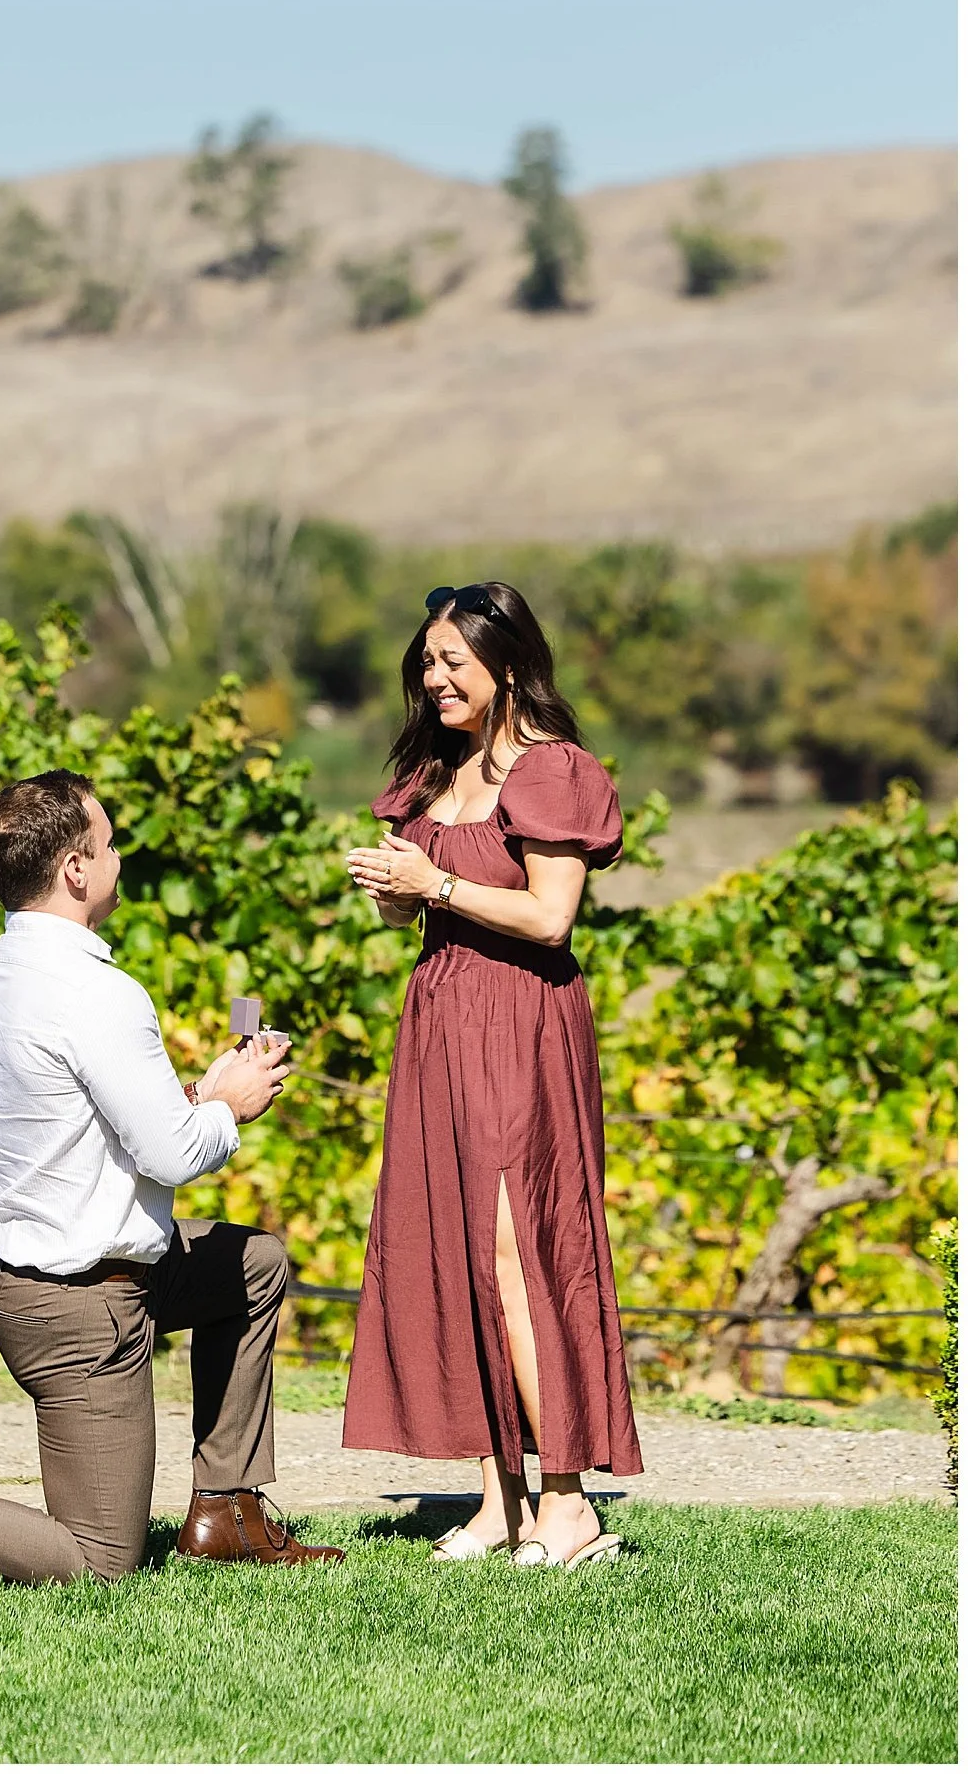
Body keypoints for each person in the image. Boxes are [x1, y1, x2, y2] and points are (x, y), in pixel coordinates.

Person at [0, 767, 343, 1586]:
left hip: (41, 1280)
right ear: (76, 869)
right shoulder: (97, 992)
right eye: (108, 845)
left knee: (254, 1264)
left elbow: (80, 1126)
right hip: (83, 1309)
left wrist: (197, 1096)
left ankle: (228, 1512)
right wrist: (232, 1109)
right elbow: (173, 1156)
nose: (119, 858)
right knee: (98, 1561)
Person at [341, 583, 642, 1570]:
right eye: (426, 664)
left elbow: (551, 917)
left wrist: (436, 881)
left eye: (453, 663)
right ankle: (499, 1499)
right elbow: (415, 912)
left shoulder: (554, 769)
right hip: (440, 1015)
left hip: (522, 1019)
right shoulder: (434, 771)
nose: (434, 680)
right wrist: (395, 891)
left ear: (508, 665)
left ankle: (568, 1503)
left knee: (520, 1251)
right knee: (458, 1248)